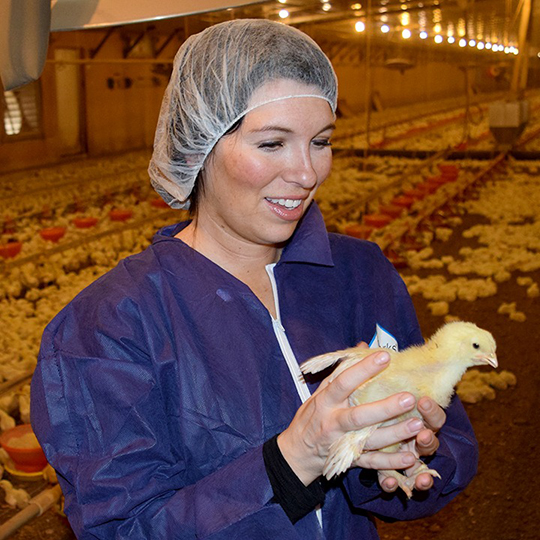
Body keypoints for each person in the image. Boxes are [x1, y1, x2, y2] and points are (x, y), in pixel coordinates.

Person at [31, 19, 478, 539]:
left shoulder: (358, 273)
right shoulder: (110, 325)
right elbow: (123, 528)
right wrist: (289, 463)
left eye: (321, 140)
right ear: (199, 144)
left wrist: (401, 459)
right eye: (272, 144)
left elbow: (452, 448)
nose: (307, 172)